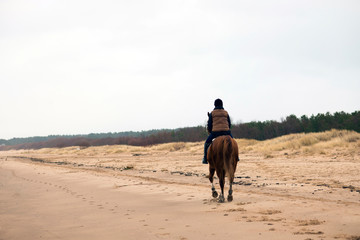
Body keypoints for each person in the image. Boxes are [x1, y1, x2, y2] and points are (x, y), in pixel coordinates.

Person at [202, 98, 233, 164]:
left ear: (214, 105)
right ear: (222, 104)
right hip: (226, 132)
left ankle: (205, 158)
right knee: (233, 142)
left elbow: (209, 124)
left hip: (215, 133)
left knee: (206, 143)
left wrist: (211, 131)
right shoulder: (226, 112)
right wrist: (227, 129)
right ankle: (236, 156)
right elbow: (229, 123)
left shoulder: (212, 113)